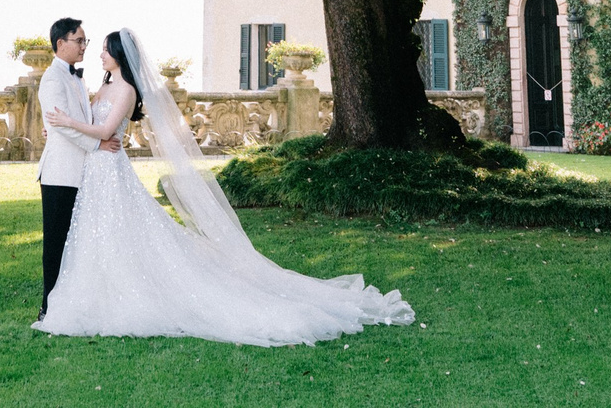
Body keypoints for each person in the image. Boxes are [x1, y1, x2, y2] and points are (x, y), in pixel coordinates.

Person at [35, 26, 413, 345]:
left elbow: (104, 130)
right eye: (91, 45)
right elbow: (92, 119)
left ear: (119, 54)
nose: (97, 52)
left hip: (109, 169)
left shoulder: (127, 91)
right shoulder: (101, 86)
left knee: (126, 233)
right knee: (101, 235)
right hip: (95, 174)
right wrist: (78, 123)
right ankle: (97, 292)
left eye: (102, 48)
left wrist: (70, 124)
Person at [35, 16, 92, 314]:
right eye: (79, 40)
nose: (84, 46)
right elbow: (63, 128)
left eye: (85, 41)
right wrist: (97, 145)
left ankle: (69, 303)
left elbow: (82, 120)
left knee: (76, 243)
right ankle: (49, 307)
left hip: (80, 172)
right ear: (61, 44)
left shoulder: (77, 77)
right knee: (56, 243)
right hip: (60, 173)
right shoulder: (53, 78)